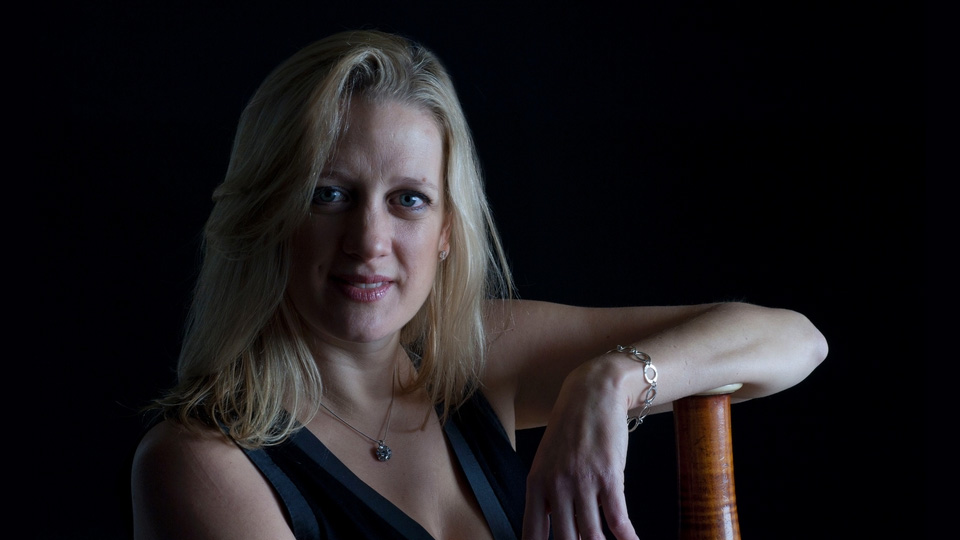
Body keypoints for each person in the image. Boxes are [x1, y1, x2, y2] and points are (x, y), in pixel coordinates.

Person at [130, 29, 827, 540]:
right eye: (329, 194)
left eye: (408, 200)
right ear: (268, 215)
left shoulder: (470, 359)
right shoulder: (199, 464)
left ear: (445, 232)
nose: (369, 241)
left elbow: (793, 341)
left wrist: (611, 382)